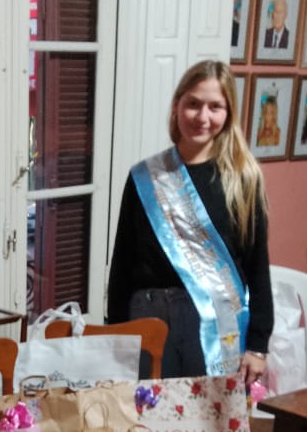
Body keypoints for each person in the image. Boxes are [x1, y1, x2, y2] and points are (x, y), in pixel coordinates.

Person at [106, 59, 272, 385]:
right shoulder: (145, 177)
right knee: (148, 413)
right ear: (177, 106)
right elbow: (123, 262)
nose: (203, 117)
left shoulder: (243, 179)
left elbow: (257, 265)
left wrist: (258, 344)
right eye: (193, 104)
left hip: (216, 322)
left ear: (228, 113)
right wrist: (115, 332)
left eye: (215, 107)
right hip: (149, 317)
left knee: (211, 415)